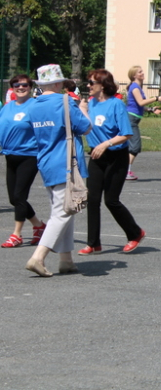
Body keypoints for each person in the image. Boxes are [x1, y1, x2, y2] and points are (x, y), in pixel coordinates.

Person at [24, 64, 92, 277]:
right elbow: (86, 127)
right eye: (61, 80)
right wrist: (83, 109)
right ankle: (38, 256)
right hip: (67, 163)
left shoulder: (33, 105)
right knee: (63, 212)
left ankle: (66, 260)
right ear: (56, 82)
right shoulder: (65, 102)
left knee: (64, 209)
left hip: (46, 162)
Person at [78, 69, 147, 256]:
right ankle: (93, 243)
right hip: (97, 156)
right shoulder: (91, 103)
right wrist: (83, 110)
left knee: (111, 200)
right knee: (92, 200)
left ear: (103, 84)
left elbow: (126, 134)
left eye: (92, 83)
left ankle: (135, 233)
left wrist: (106, 144)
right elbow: (87, 127)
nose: (88, 86)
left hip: (116, 156)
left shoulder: (116, 104)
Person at [0, 75, 46, 248]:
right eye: (16, 85)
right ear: (12, 87)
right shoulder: (7, 107)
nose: (20, 87)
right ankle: (39, 226)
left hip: (29, 155)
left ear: (30, 86)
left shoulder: (35, 106)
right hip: (10, 155)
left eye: (24, 85)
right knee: (14, 199)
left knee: (20, 195)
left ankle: (16, 234)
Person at [125, 65, 161, 181]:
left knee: (131, 146)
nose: (142, 73)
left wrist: (151, 109)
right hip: (131, 119)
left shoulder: (137, 87)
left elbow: (139, 105)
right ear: (134, 75)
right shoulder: (135, 87)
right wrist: (156, 98)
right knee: (135, 147)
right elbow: (141, 102)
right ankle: (126, 171)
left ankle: (125, 170)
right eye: (140, 72)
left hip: (134, 119)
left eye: (142, 71)